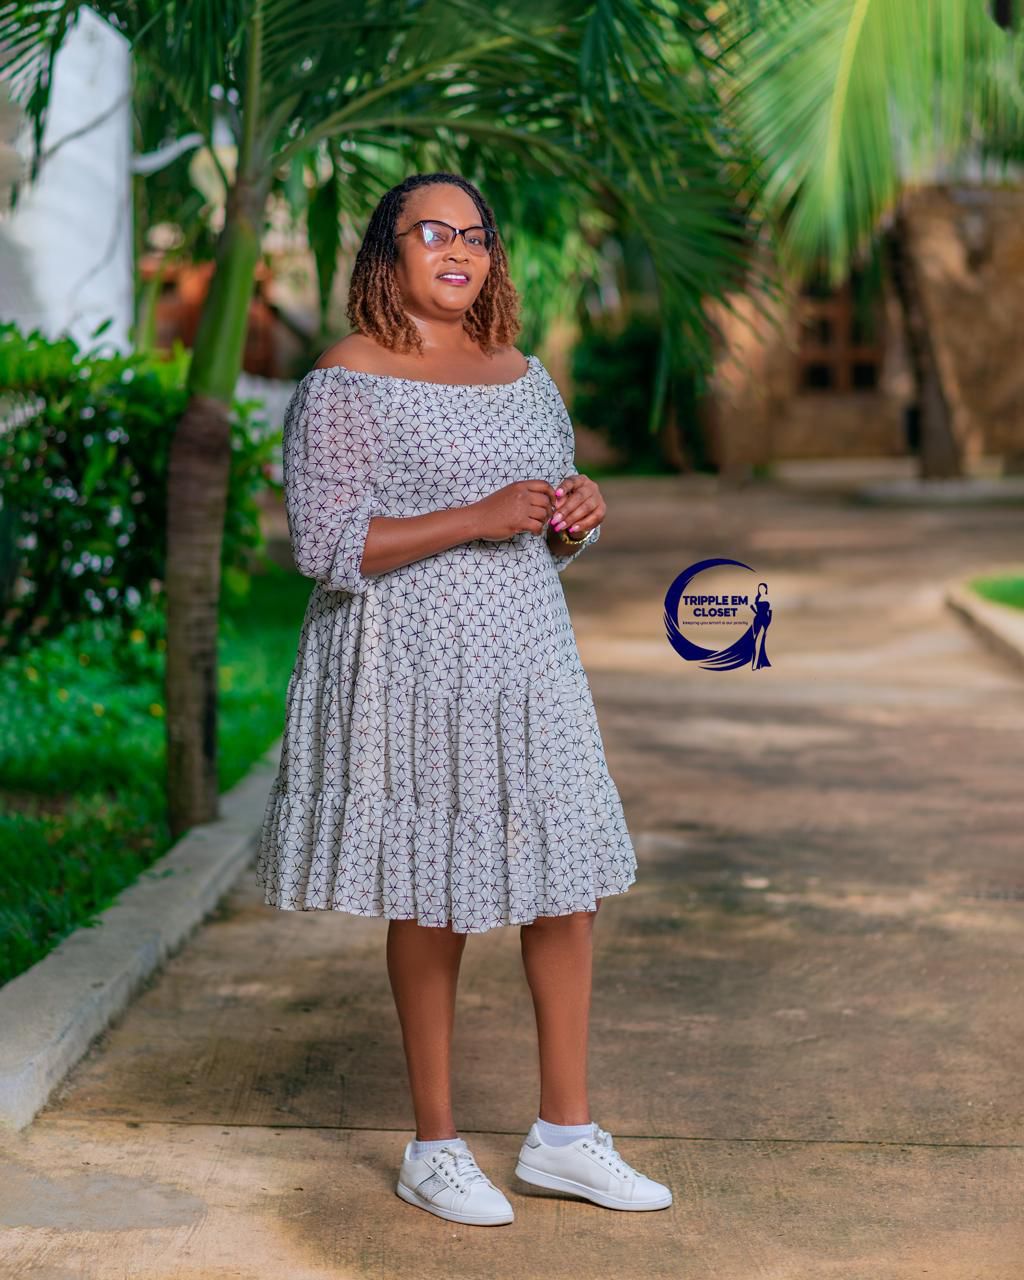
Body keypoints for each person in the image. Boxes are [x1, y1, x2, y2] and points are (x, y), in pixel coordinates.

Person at [255, 171, 672, 1226]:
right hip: (411, 668)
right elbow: (325, 544)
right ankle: (433, 1145)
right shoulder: (346, 377)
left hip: (526, 663)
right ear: (385, 254)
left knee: (561, 884)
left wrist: (573, 517)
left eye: (475, 235)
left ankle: (564, 1137)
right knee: (432, 893)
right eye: (431, 231)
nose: (458, 248)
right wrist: (474, 512)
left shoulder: (525, 375)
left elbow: (541, 524)